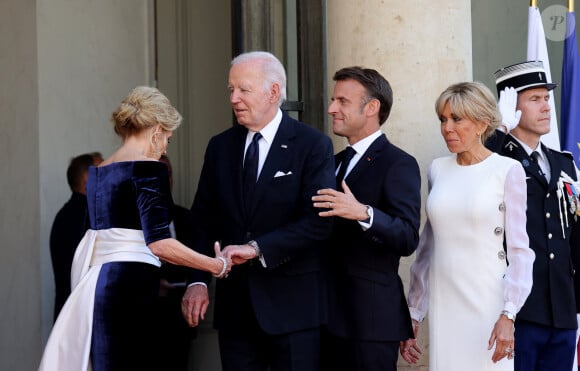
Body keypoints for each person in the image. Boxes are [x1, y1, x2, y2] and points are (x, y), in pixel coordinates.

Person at [39, 86, 231, 371]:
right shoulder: (149, 169)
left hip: (97, 284)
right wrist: (215, 265)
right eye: (168, 137)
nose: (166, 147)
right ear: (156, 130)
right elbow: (160, 243)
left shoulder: (99, 170)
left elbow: (92, 235)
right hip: (129, 287)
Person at [181, 51, 335, 371]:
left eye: (243, 89)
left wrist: (255, 249)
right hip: (236, 312)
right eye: (231, 90)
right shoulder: (220, 147)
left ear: (274, 92)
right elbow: (201, 220)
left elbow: (318, 224)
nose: (234, 98)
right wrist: (196, 280)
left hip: (293, 311)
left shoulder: (312, 145)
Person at [403, 81, 535, 370]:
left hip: (489, 305)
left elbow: (520, 251)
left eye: (456, 119)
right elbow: (427, 248)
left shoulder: (507, 170)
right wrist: (413, 312)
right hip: (445, 303)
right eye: (443, 119)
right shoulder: (437, 169)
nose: (447, 128)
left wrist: (508, 314)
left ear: (482, 124)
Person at [311, 66, 422, 371]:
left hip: (370, 322)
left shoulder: (398, 163)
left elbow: (408, 237)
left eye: (342, 101)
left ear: (372, 107)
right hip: (323, 316)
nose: (332, 108)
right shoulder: (330, 164)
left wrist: (363, 213)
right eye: (333, 100)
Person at [487, 61, 580, 371]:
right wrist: (498, 130)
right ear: (512, 106)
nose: (546, 107)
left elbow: (573, 235)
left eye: (547, 98)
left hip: (562, 310)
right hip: (519, 312)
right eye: (535, 99)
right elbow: (477, 180)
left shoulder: (563, 163)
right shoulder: (494, 158)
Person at [154, 154, 197, 371]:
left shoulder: (186, 218)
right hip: (142, 321)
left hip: (179, 320)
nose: (165, 179)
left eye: (168, 174)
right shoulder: (129, 220)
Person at [49, 151, 103, 320]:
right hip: (84, 319)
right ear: (88, 178)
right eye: (103, 171)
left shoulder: (63, 215)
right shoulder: (90, 216)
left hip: (68, 315)